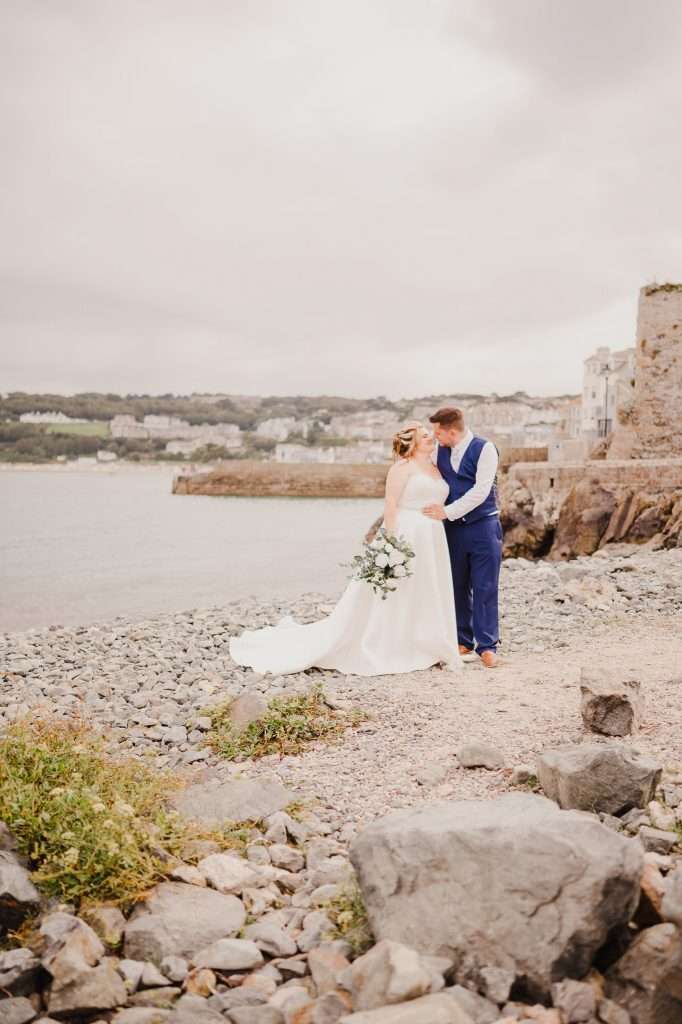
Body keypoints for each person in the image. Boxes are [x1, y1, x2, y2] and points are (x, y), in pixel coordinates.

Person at [230, 423, 461, 676]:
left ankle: (426, 641)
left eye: (430, 435)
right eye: (425, 436)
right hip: (407, 533)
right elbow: (391, 503)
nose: (431, 439)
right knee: (396, 590)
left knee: (426, 587)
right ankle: (391, 644)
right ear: (413, 443)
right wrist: (391, 544)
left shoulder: (436, 467)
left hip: (432, 536)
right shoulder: (402, 468)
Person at [422, 407, 502, 669]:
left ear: (451, 431)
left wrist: (447, 512)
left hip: (484, 526)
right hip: (453, 530)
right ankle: (462, 639)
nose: (435, 438)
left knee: (485, 586)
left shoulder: (485, 449)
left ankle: (488, 646)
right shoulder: (438, 452)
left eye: (437, 433)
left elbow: (481, 490)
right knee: (456, 584)